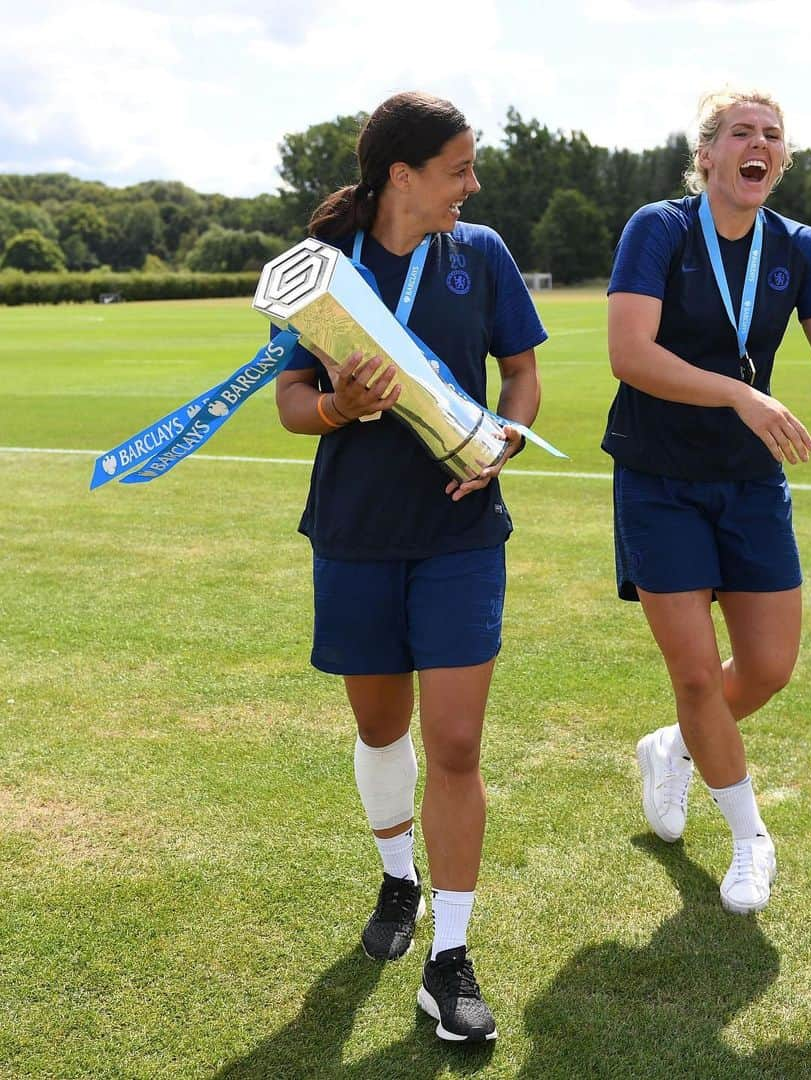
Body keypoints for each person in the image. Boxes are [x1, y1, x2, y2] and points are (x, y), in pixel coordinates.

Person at [605, 88, 811, 914]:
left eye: (772, 135)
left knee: (771, 667)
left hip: (749, 483)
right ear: (707, 154)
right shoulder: (659, 229)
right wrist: (742, 397)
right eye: (741, 132)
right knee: (694, 674)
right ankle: (750, 838)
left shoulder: (801, 246)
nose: (760, 144)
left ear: (781, 160)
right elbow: (630, 356)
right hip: (660, 478)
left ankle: (673, 748)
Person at [274, 91, 547, 1042]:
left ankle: (451, 959)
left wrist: (507, 435)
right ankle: (399, 881)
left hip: (461, 534)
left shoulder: (484, 255)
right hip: (354, 533)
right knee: (382, 727)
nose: (472, 185)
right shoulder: (323, 274)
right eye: (459, 170)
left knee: (458, 745)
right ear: (404, 174)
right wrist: (343, 408)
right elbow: (293, 405)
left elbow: (522, 375)